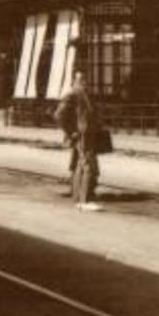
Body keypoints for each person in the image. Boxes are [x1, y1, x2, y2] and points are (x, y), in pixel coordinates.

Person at [55, 71, 105, 211]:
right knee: (87, 165)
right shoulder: (72, 94)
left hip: (89, 134)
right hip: (82, 135)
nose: (84, 82)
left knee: (80, 166)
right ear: (74, 81)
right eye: (81, 79)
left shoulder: (86, 94)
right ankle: (85, 200)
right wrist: (71, 131)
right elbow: (58, 115)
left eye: (85, 79)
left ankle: (79, 199)